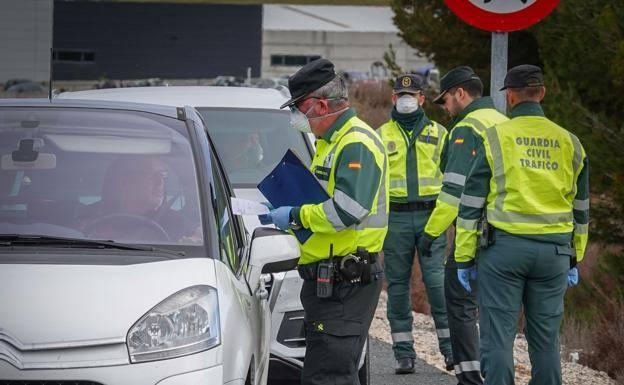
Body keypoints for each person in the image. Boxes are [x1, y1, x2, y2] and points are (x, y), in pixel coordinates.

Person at [454, 65, 589, 385]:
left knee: (498, 338)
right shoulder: (571, 142)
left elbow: (471, 203)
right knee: (546, 343)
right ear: (541, 93)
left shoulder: (495, 138)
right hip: (554, 254)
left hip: (504, 252)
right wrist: (574, 256)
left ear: (510, 97)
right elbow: (581, 210)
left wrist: (464, 257)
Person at [263, 58, 388, 385]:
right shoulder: (331, 143)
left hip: (346, 281)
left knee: (328, 377)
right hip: (330, 281)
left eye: (299, 109)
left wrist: (293, 215)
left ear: (320, 105)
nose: (297, 118)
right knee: (333, 374)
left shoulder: (355, 143)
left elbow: (346, 211)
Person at [419, 66, 508, 384]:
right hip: (507, 231)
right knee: (497, 310)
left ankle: (469, 377)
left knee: (458, 300)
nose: (444, 108)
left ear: (460, 93)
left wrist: (431, 232)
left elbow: (453, 191)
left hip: (477, 230)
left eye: (444, 101)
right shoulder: (502, 121)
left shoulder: (467, 127)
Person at [376, 73, 453, 374]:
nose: (406, 100)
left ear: (422, 98)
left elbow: (452, 176)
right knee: (397, 286)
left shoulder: (440, 133)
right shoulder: (380, 135)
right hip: (395, 218)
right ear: (393, 99)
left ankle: (450, 350)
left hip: (432, 216)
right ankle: (403, 354)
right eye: (401, 95)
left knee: (436, 284)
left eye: (413, 95)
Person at [79, 155, 198, 243]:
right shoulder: (90, 218)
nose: (160, 182)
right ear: (126, 182)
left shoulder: (176, 224)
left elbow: (197, 242)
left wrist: (195, 240)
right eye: (150, 175)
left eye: (162, 175)